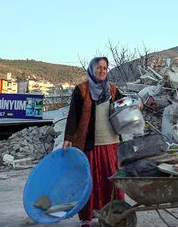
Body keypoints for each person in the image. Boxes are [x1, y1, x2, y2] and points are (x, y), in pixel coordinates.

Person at [63, 56, 125, 227]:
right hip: (89, 144)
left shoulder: (112, 90)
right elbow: (73, 116)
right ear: (92, 69)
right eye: (99, 68)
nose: (102, 71)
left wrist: (137, 104)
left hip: (111, 143)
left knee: (112, 181)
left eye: (105, 68)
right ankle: (87, 217)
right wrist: (68, 138)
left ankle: (114, 213)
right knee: (88, 181)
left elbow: (124, 105)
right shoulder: (81, 90)